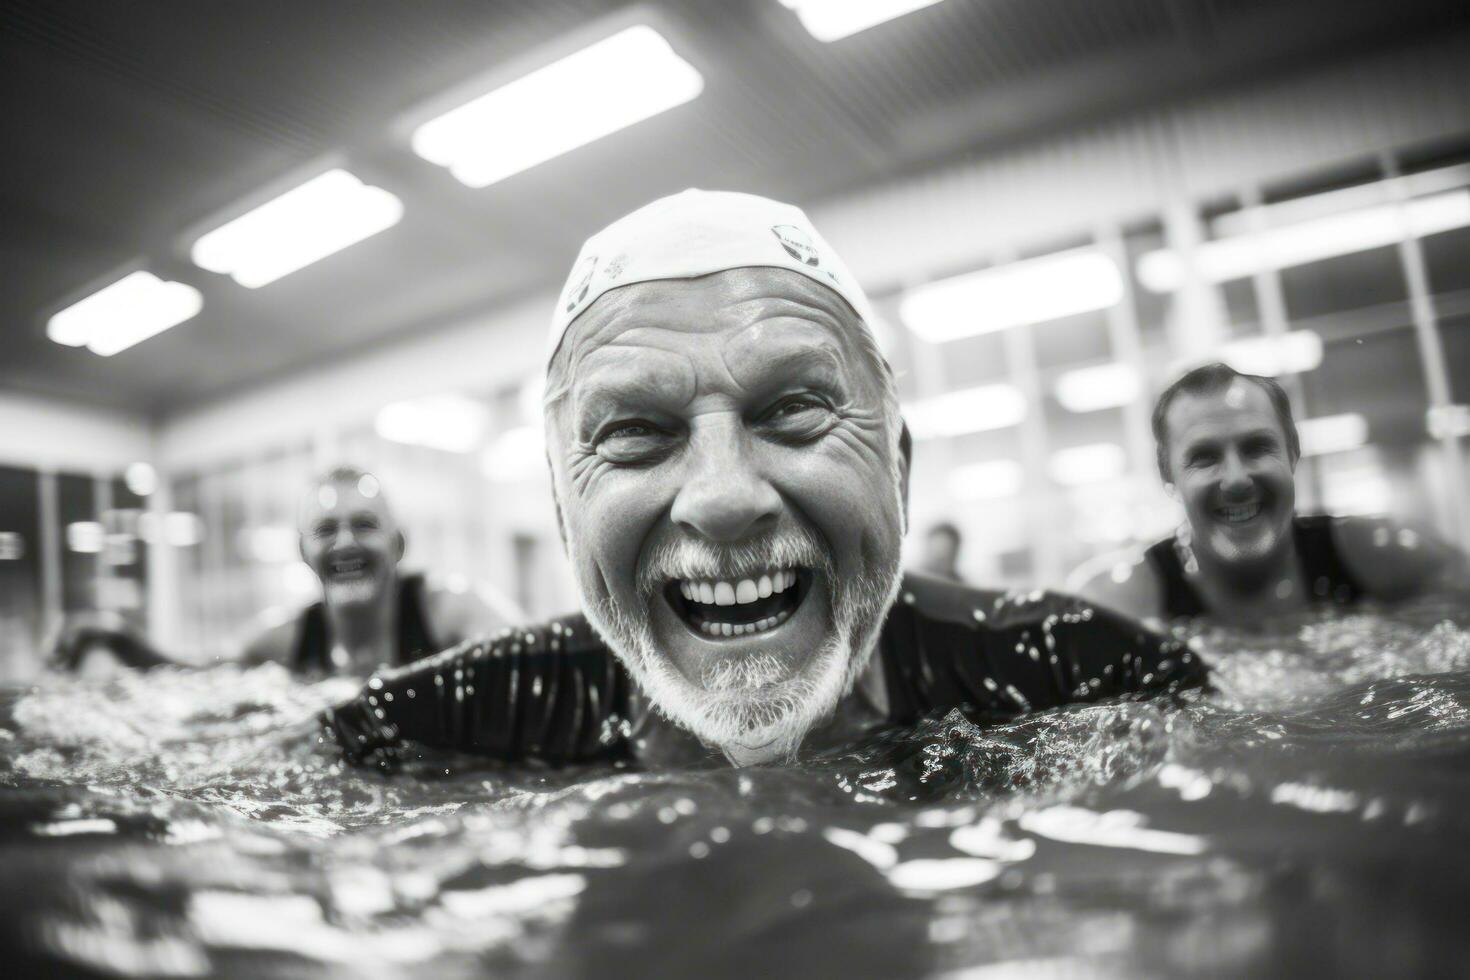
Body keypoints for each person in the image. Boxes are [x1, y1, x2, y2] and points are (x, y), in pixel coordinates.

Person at [320, 190, 1206, 770]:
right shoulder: (435, 724)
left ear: (898, 466)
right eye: (635, 433)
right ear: (564, 514)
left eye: (791, 410)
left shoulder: (1101, 677)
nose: (723, 497)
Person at [1074, 362, 1469, 626]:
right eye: (1205, 457)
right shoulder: (1121, 605)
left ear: (1293, 452)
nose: (1236, 479)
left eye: (1256, 448)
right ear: (1169, 476)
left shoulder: (1386, 557)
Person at [243, 465, 516, 674]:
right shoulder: (276, 646)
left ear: (398, 545)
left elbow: (532, 660)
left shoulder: (452, 614)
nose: (346, 542)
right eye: (326, 530)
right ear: (303, 552)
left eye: (364, 525)